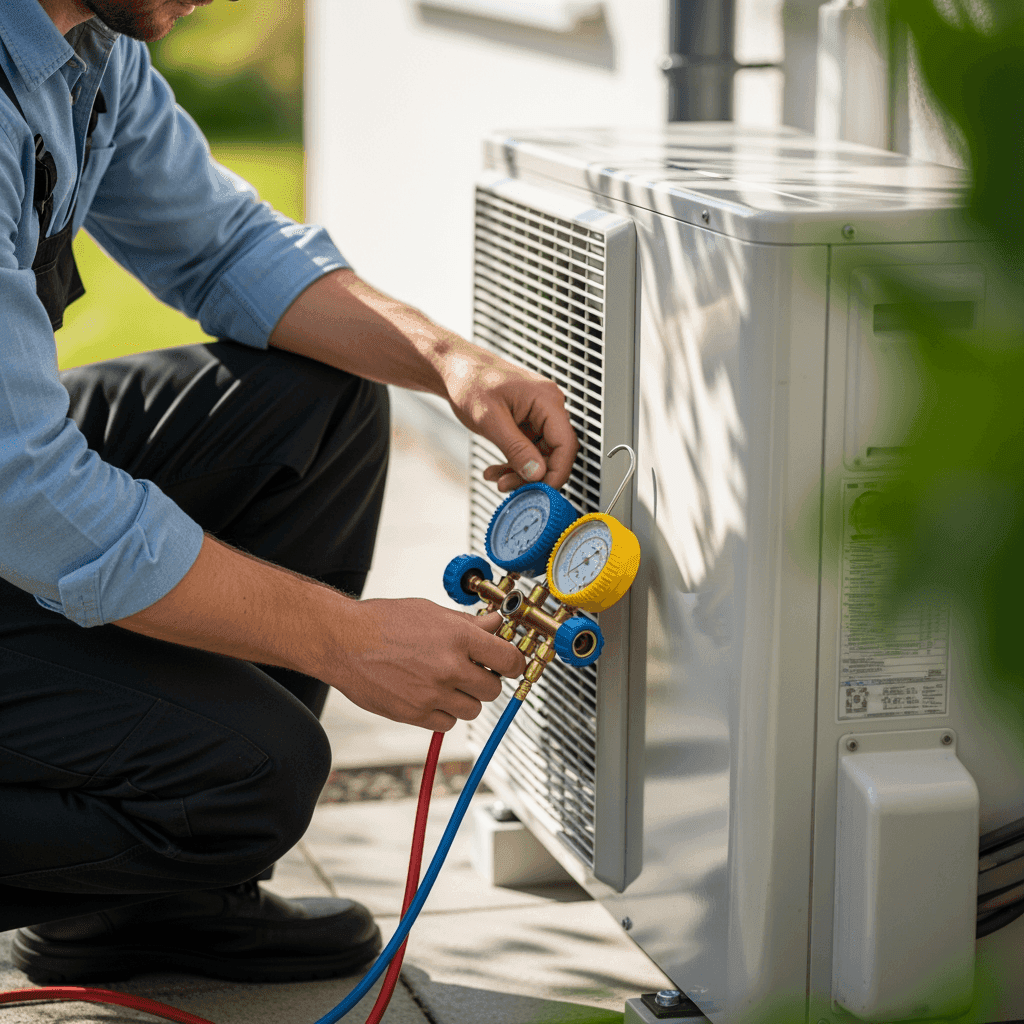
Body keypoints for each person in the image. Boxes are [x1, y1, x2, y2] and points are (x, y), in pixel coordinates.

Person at [0, 0, 578, 985]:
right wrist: (346, 638)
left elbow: (221, 247)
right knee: (254, 776)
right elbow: (26, 492)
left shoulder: (83, 44)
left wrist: (448, 363)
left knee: (319, 402)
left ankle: (156, 910)